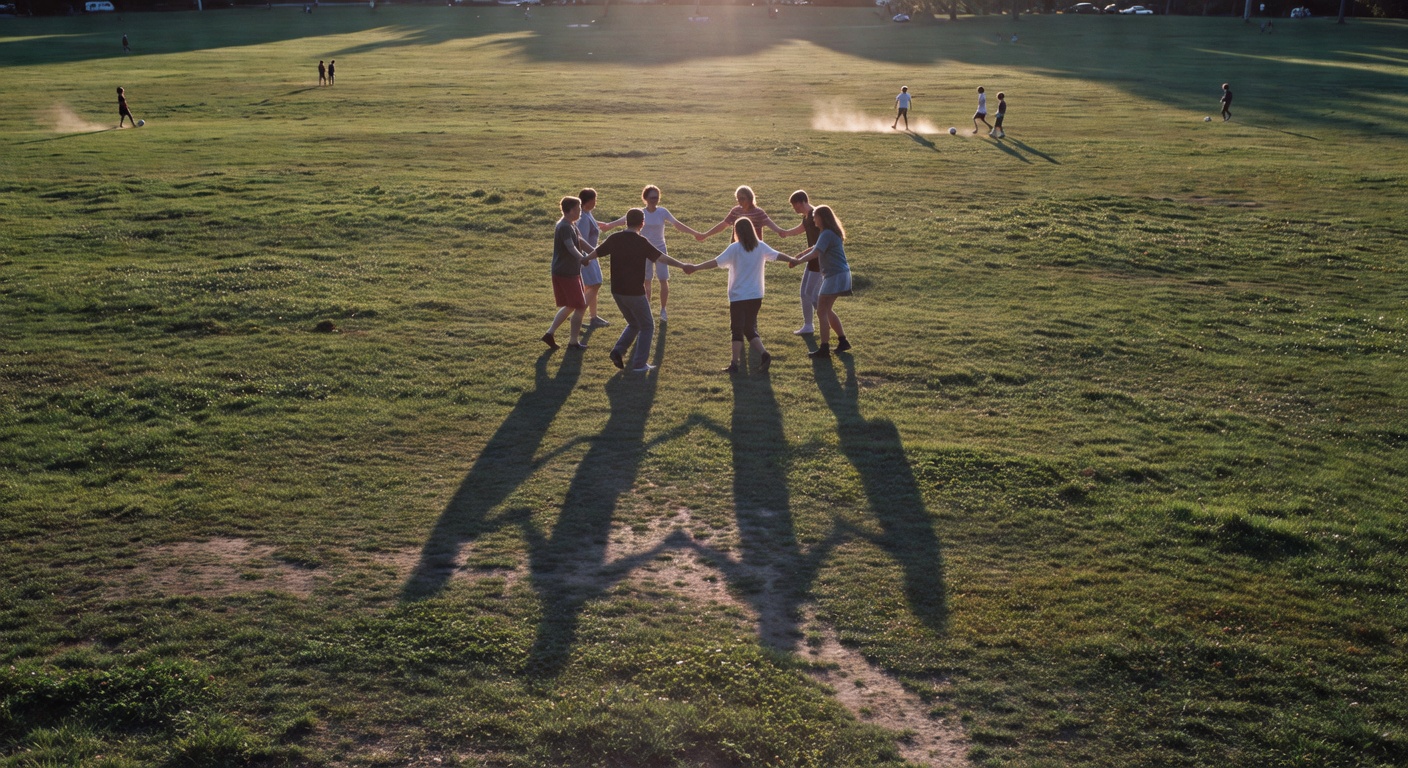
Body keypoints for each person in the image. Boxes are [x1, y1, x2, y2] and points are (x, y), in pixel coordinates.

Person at [585, 208, 691, 373]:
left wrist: (585, 259)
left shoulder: (615, 238)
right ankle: (639, 364)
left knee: (634, 323)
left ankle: (618, 351)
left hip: (617, 291)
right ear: (642, 223)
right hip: (634, 292)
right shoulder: (641, 242)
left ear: (626, 221)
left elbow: (597, 252)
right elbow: (661, 257)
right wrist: (682, 265)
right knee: (647, 325)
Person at [682, 219, 788, 374]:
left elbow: (715, 262)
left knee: (737, 329)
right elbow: (778, 255)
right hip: (756, 295)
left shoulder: (735, 248)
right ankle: (764, 355)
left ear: (737, 232)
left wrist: (696, 267)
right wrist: (793, 260)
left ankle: (734, 364)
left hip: (738, 295)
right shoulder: (760, 246)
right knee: (748, 328)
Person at [600, 185, 702, 323]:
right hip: (643, 250)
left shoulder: (663, 212)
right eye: (652, 197)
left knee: (663, 279)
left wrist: (695, 233)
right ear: (646, 198)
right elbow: (623, 220)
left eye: (657, 197)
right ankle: (645, 309)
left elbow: (677, 224)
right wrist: (608, 226)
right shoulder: (640, 213)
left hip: (660, 249)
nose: (655, 200)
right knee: (646, 281)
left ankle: (663, 310)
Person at [790, 205, 851, 358]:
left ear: (822, 218)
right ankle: (843, 341)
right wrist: (800, 255)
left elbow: (816, 252)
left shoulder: (827, 233)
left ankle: (824, 348)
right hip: (840, 274)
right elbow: (815, 247)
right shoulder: (829, 233)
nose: (813, 219)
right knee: (826, 309)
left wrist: (798, 261)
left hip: (835, 275)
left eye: (815, 217)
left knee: (822, 310)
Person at [543, 196, 591, 351]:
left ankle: (550, 334)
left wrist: (596, 252)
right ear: (569, 211)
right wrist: (583, 258)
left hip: (571, 271)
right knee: (580, 305)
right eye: (577, 209)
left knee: (572, 305)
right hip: (565, 272)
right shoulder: (564, 226)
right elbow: (571, 247)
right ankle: (573, 342)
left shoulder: (571, 224)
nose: (580, 212)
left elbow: (580, 242)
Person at [780, 190, 823, 335]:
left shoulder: (815, 215)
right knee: (806, 293)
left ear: (801, 202)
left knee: (811, 294)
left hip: (818, 260)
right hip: (811, 259)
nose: (794, 209)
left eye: (795, 205)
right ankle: (809, 325)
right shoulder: (806, 217)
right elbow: (800, 229)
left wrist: (800, 256)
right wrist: (785, 233)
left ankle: (826, 318)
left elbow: (818, 244)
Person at [697, 185, 790, 245]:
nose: (740, 201)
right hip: (737, 247)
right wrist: (706, 234)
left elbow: (772, 225)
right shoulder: (735, 211)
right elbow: (723, 225)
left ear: (750, 198)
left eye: (742, 198)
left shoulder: (758, 213)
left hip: (754, 247)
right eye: (738, 199)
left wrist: (781, 232)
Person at [576, 188, 609, 329]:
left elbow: (593, 224)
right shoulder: (582, 217)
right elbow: (581, 240)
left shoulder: (587, 213)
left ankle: (593, 317)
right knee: (595, 284)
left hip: (591, 254)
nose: (596, 202)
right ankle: (578, 315)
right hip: (587, 255)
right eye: (594, 199)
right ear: (589, 201)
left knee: (591, 286)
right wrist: (589, 256)